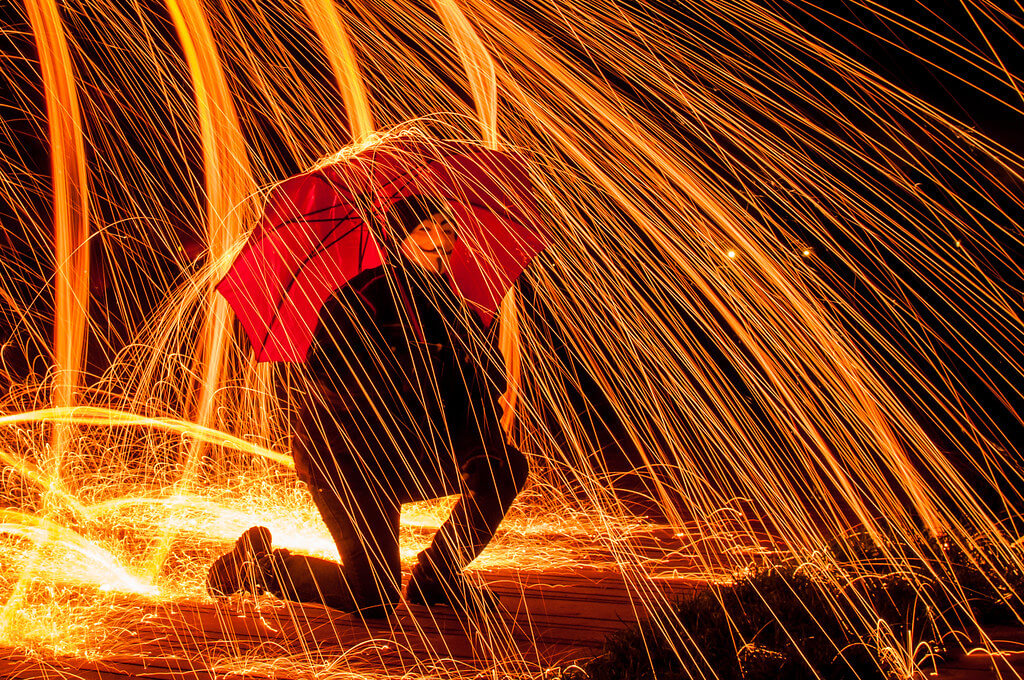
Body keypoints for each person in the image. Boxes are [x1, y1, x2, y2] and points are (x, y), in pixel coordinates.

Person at [206, 195, 529, 618]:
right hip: (347, 458)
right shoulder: (360, 300)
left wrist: (478, 372)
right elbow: (333, 382)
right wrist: (406, 379)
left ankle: (438, 576)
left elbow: (480, 391)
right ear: (400, 240)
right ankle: (261, 567)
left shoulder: (457, 310)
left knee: (503, 466)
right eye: (427, 229)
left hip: (404, 452)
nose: (444, 239)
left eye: (449, 229)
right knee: (372, 595)